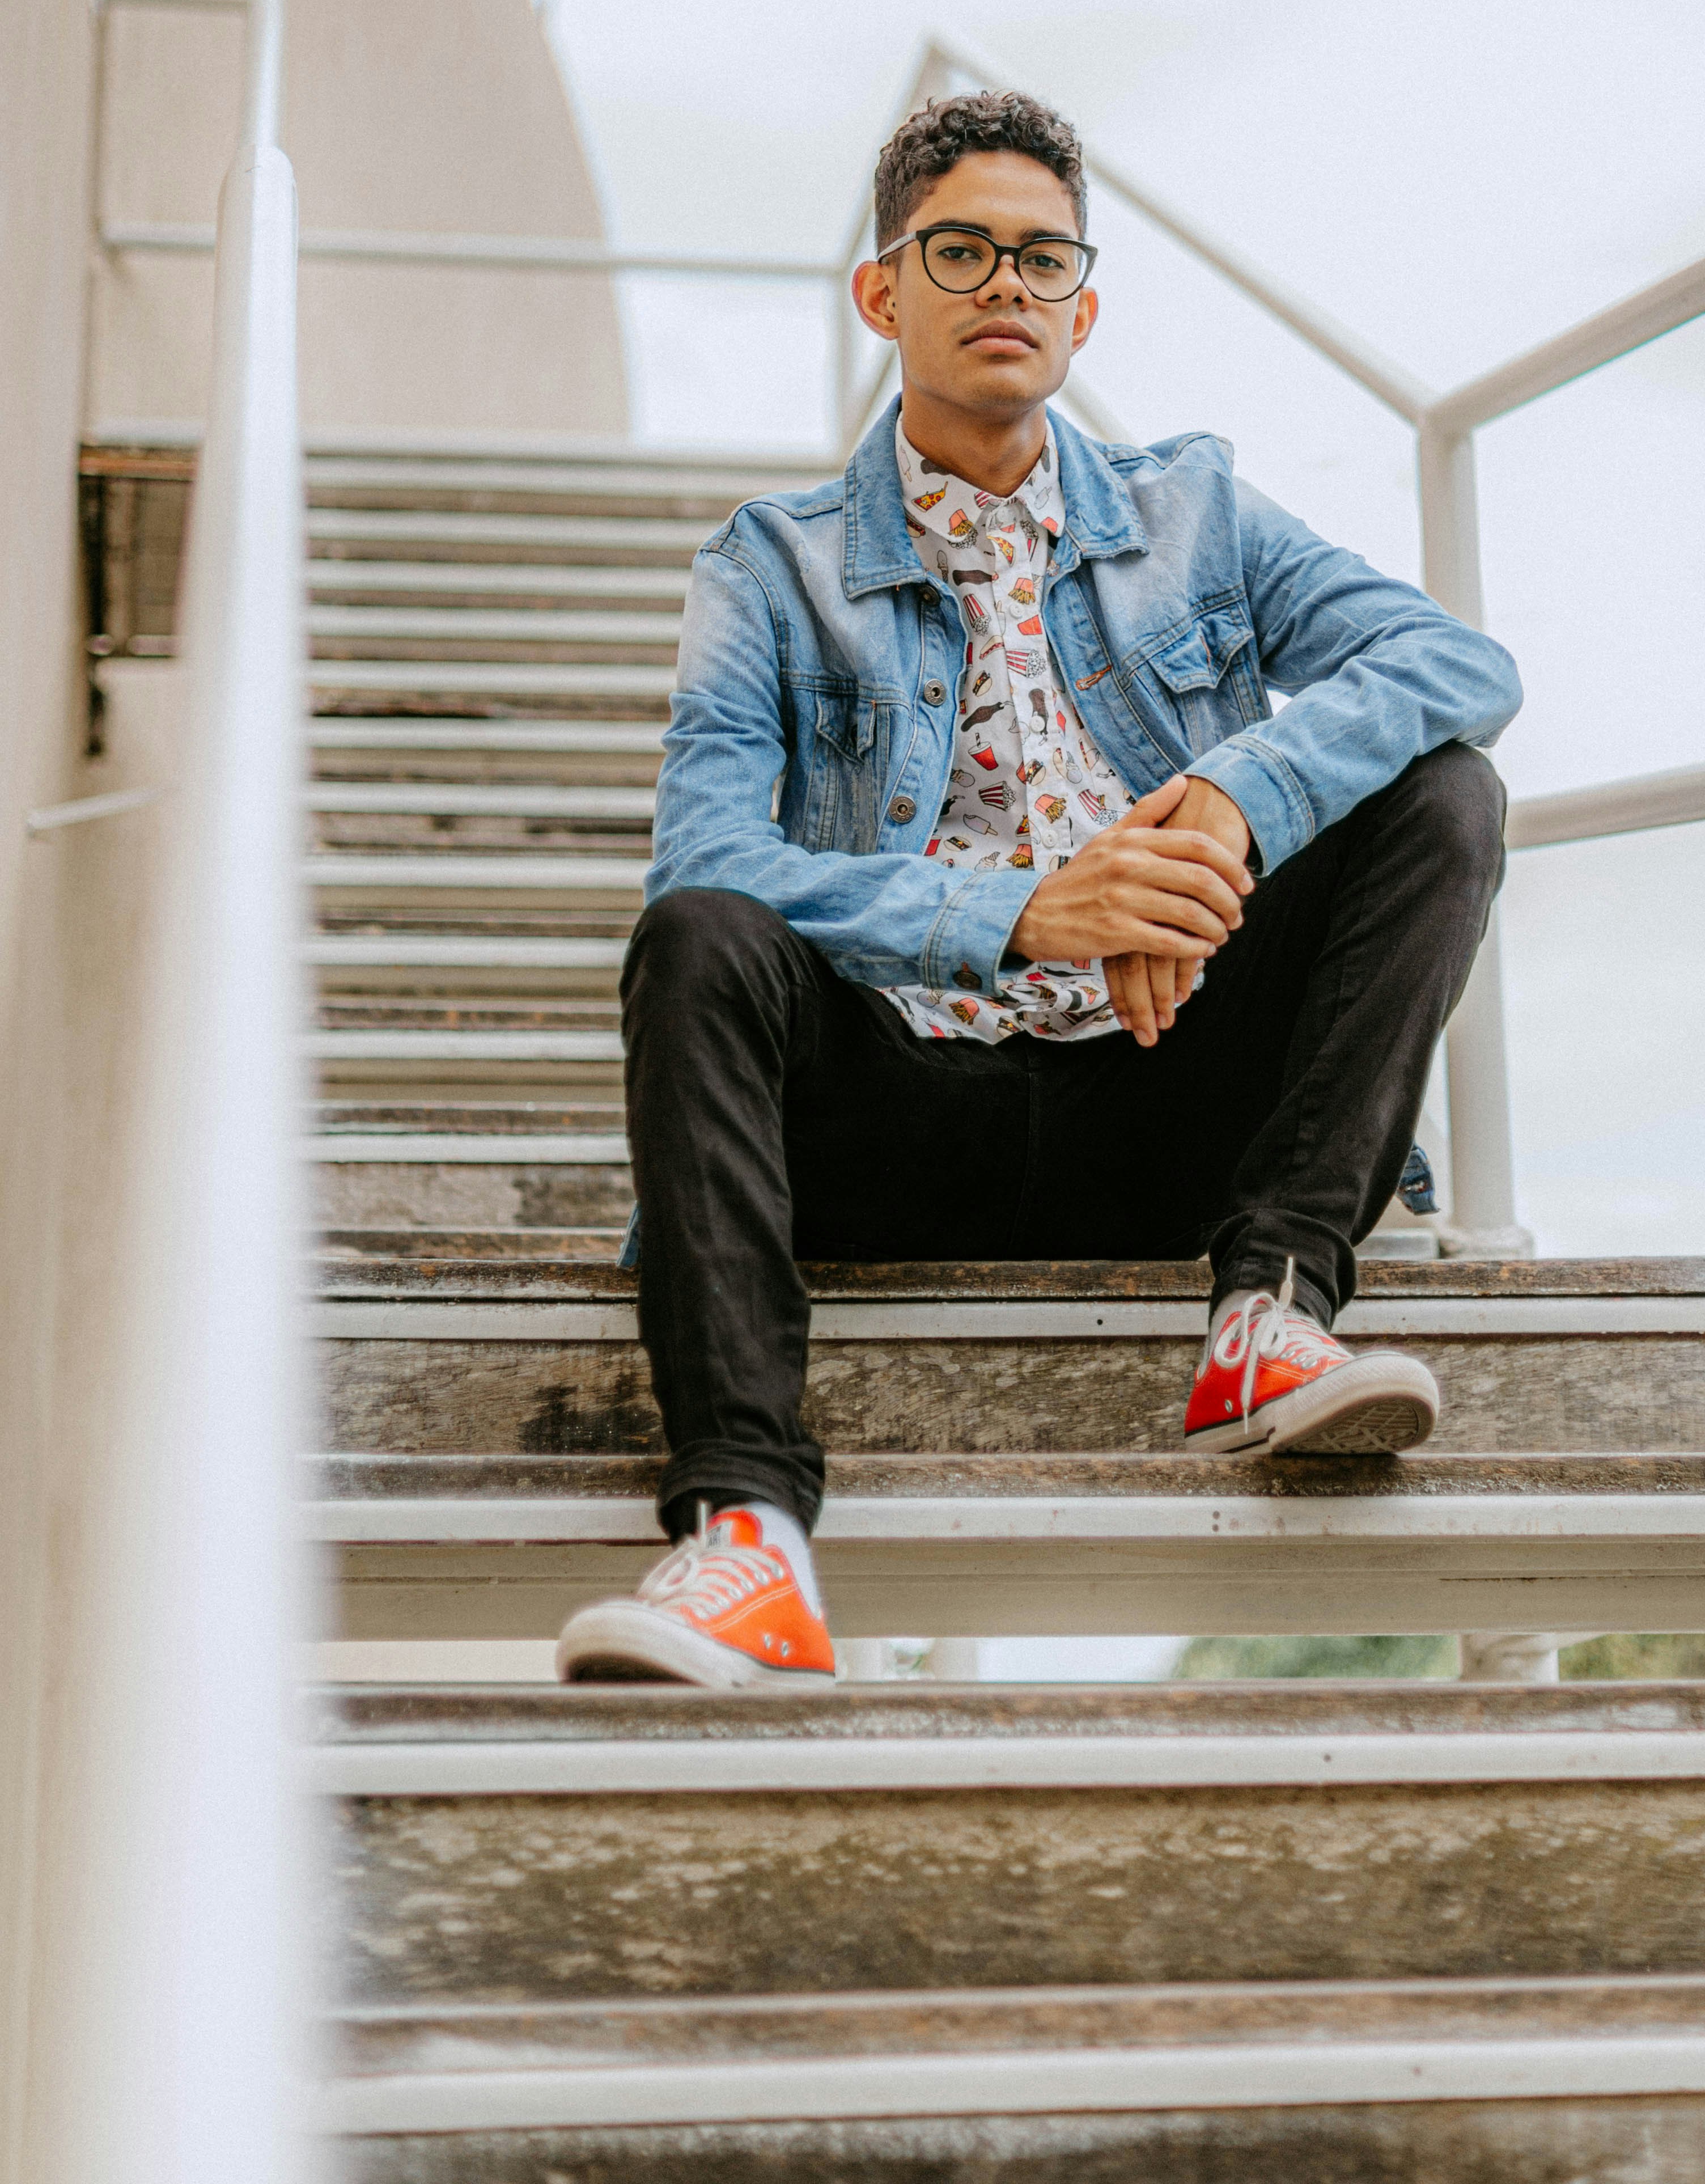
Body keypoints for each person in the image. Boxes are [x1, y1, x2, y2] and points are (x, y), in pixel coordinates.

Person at [556, 89, 1520, 1689]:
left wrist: (1231, 802)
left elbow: (1455, 663)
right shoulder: (770, 570)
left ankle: (1271, 1313)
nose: (1006, 283)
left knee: (1445, 792)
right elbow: (708, 854)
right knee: (700, 937)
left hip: (1170, 1105)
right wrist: (1020, 909)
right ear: (884, 295)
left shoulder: (1194, 513)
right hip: (903, 1115)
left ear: (1083, 307)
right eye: (962, 249)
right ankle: (749, 1540)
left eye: (1042, 258)